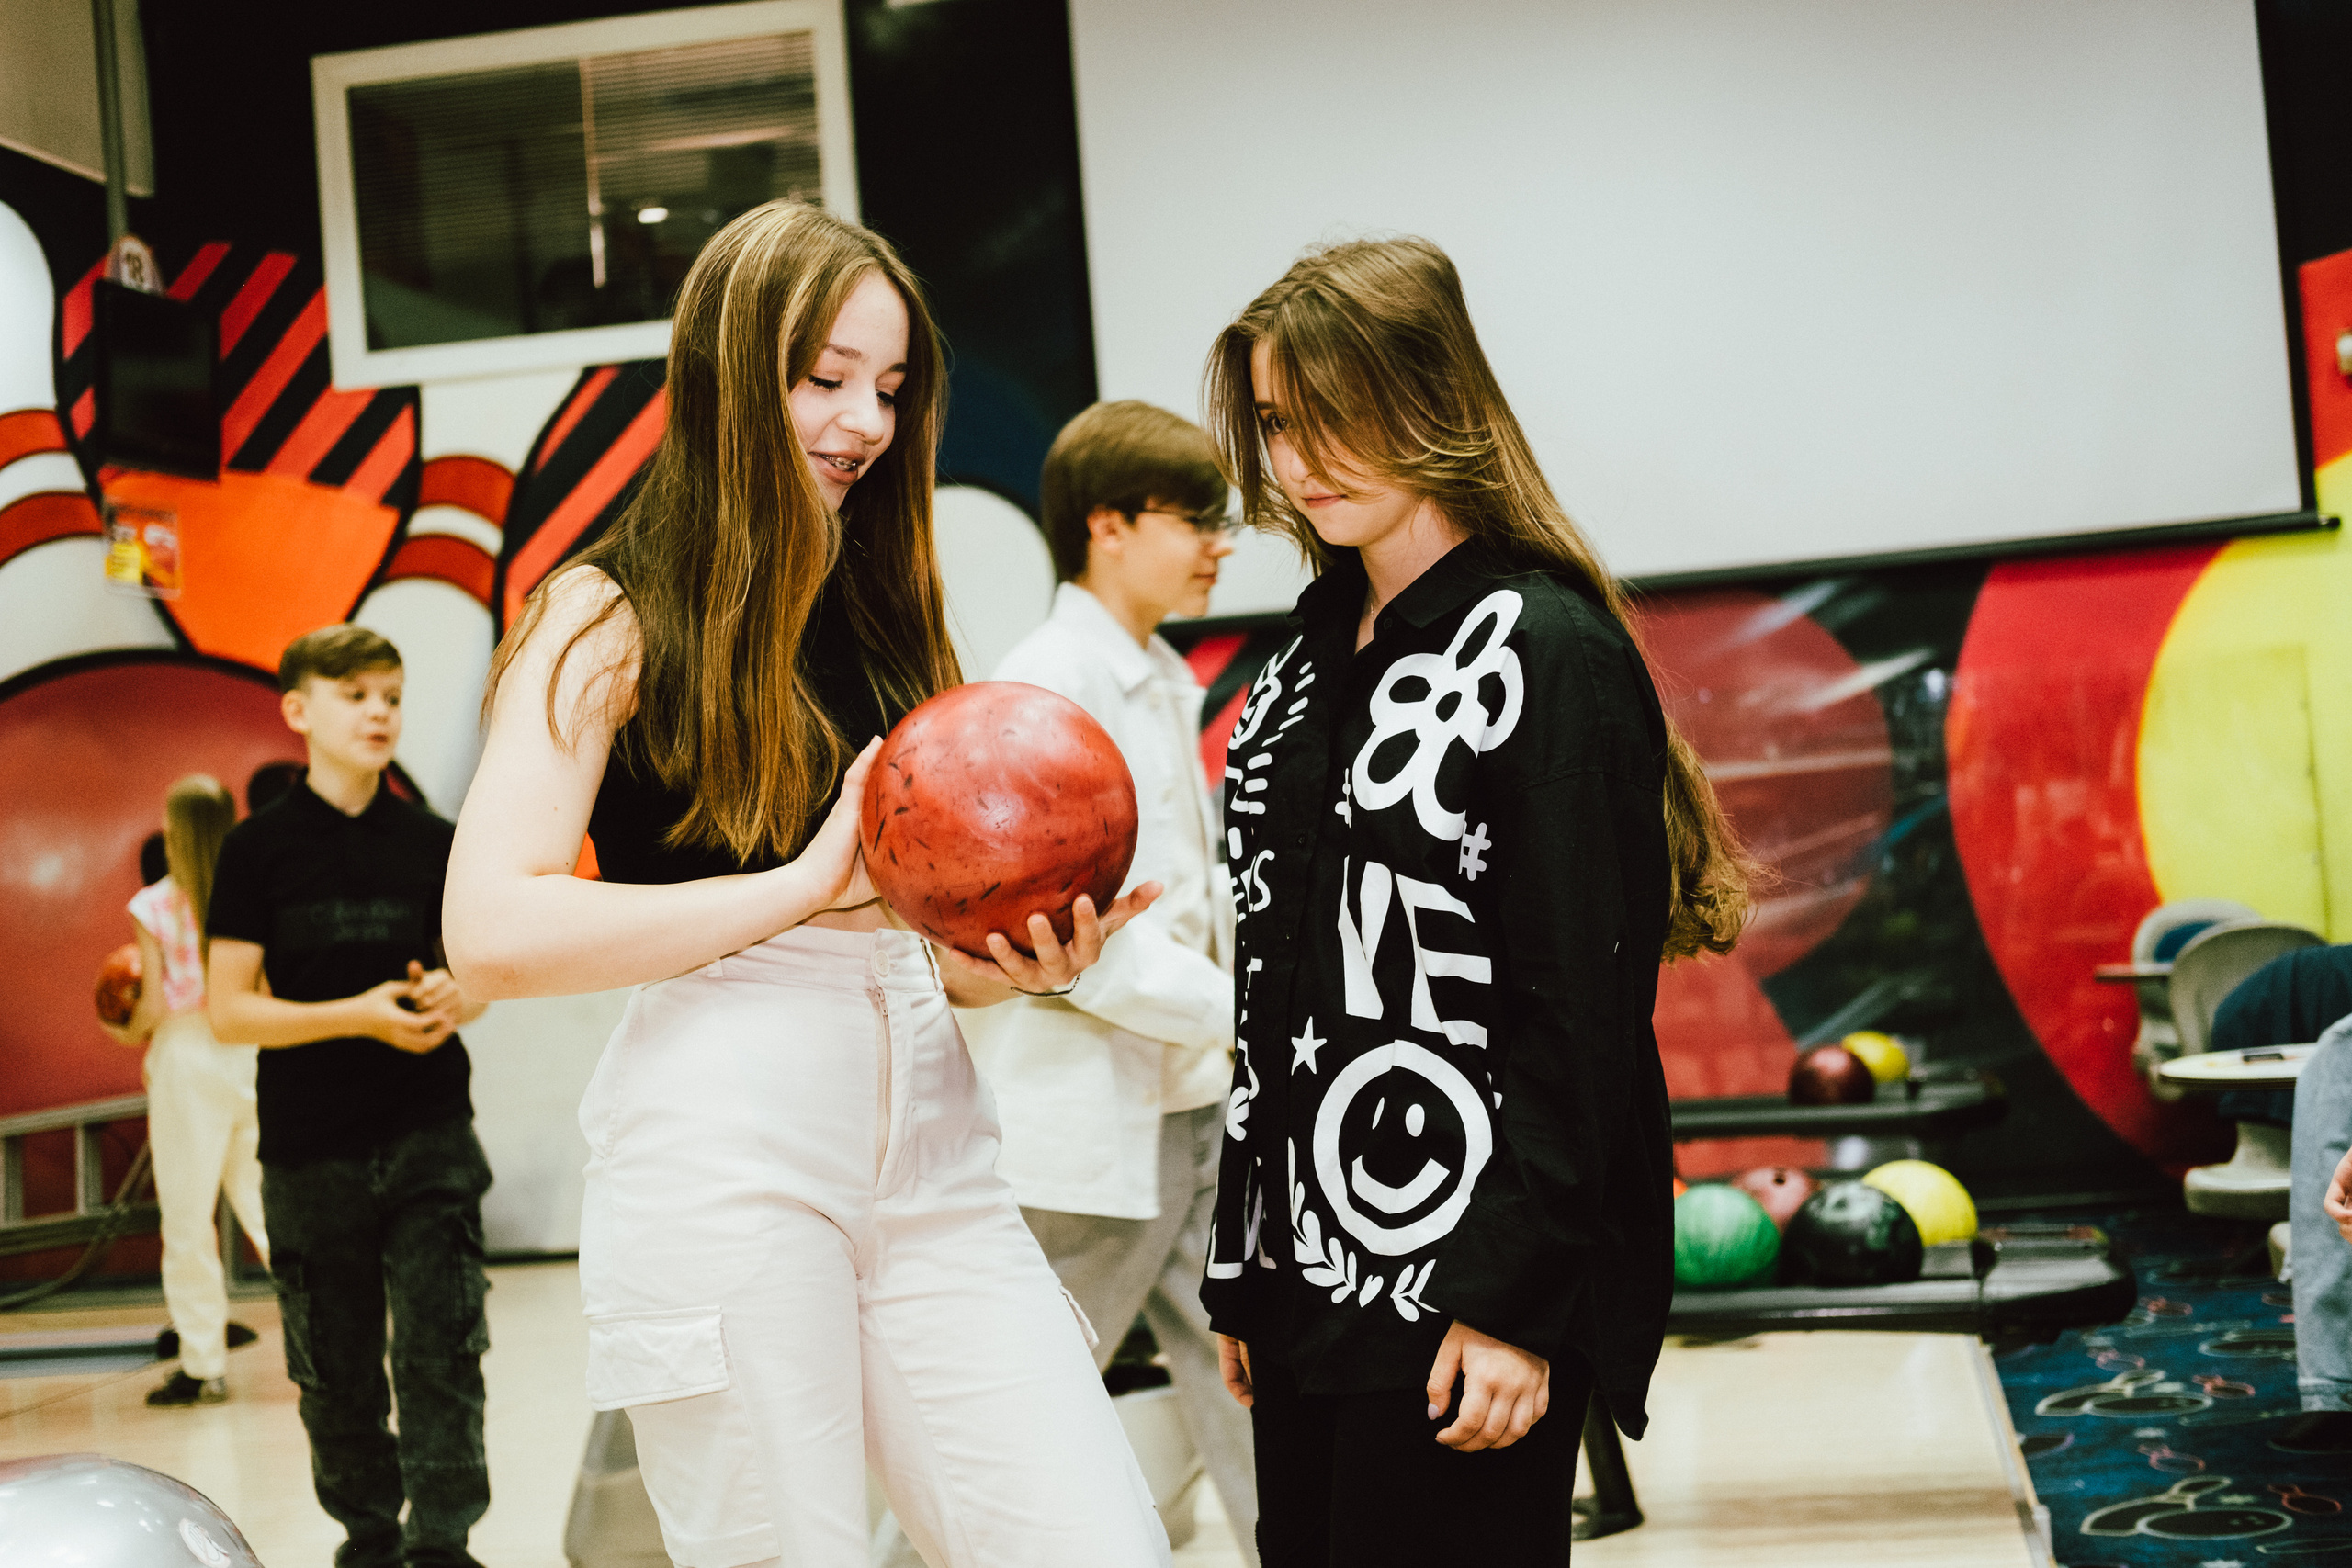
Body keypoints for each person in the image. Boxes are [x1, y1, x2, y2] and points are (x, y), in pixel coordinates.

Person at [441, 200, 1172, 1568]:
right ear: (728, 373)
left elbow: (910, 938)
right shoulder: (603, 610)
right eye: (824, 378)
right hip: (728, 1151)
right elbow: (489, 929)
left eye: (889, 388)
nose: (864, 422)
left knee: (1093, 1543)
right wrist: (798, 885)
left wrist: (1012, 964)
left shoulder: (888, 607)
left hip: (938, 1149)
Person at [1196, 238, 1751, 1564]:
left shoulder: (1542, 645)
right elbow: (1273, 986)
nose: (1303, 456)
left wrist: (1513, 1302)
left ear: (1432, 396)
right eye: (1277, 421)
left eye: (1339, 412)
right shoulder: (1295, 661)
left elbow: (1580, 1016)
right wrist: (1243, 1262)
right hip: (1300, 1274)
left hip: (1460, 1277)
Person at [928, 401, 1258, 1561]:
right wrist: (1252, 1015)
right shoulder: (1046, 683)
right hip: (1087, 1123)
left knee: (1255, 1390)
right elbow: (1074, 927)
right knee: (1010, 1432)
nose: (1219, 545)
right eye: (1196, 520)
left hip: (1188, 1097)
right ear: (1108, 526)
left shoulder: (1154, 670)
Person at [206, 624, 492, 1568]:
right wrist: (357, 1015)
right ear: (299, 710)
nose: (379, 714)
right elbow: (229, 1011)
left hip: (430, 1133)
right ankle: (368, 1540)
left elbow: (476, 977)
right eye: (355, 695)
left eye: (391, 697)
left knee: (444, 1349)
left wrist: (460, 994)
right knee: (334, 1365)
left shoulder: (434, 841)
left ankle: (443, 1545)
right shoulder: (256, 850)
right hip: (310, 1145)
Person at [100, 773, 269, 1408]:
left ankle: (203, 1366)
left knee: (188, 1219)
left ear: (173, 831)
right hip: (251, 1046)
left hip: (186, 1056)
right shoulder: (254, 891)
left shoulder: (152, 906)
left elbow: (148, 1009)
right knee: (272, 1209)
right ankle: (338, 1346)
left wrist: (119, 1029)